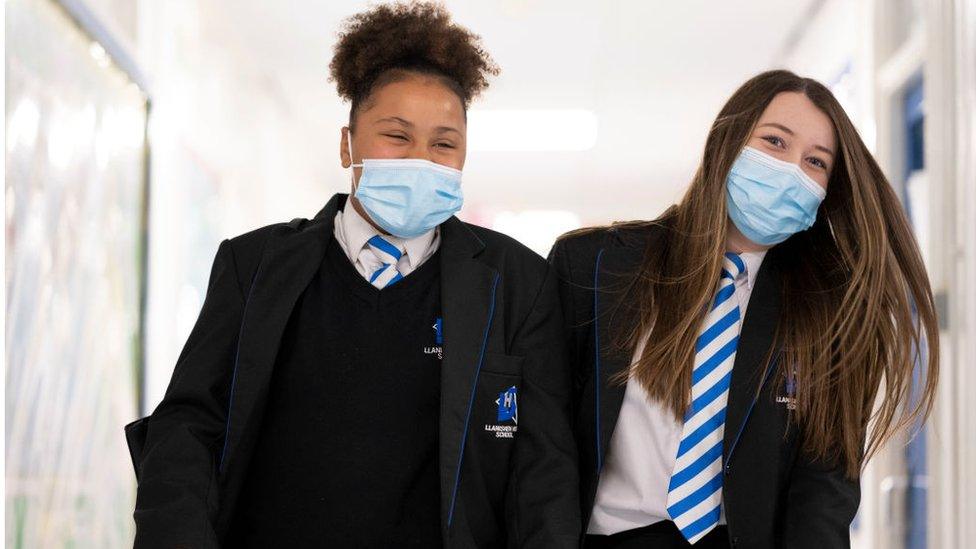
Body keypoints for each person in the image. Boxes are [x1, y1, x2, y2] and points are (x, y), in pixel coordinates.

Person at [131, 3, 579, 547]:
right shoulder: (254, 267)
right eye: (396, 136)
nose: (421, 159)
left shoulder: (517, 285)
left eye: (443, 143)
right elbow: (189, 425)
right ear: (348, 145)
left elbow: (543, 476)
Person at [550, 70, 939, 548]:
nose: (792, 170)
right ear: (726, 141)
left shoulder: (829, 313)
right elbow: (543, 448)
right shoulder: (596, 265)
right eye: (775, 142)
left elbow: (823, 494)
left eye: (816, 162)